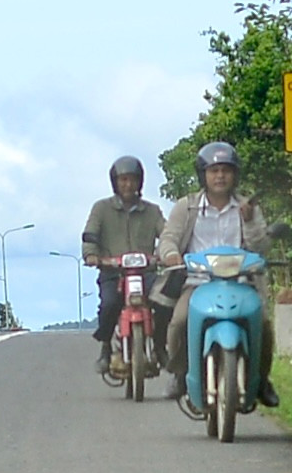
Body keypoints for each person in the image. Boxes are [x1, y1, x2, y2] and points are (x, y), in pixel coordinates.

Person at [155, 141, 279, 407]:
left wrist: (249, 220)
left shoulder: (247, 207)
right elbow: (168, 239)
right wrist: (171, 255)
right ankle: (179, 373)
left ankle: (261, 379)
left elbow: (262, 247)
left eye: (226, 170)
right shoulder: (186, 207)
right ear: (203, 175)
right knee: (179, 322)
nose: (220, 176)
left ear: (235, 175)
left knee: (264, 326)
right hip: (198, 283)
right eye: (214, 170)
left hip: (242, 283)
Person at [81, 155, 168, 373]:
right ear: (115, 182)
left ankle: (159, 346)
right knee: (110, 304)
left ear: (141, 182)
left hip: (146, 273)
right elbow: (90, 235)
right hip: (113, 273)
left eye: (133, 179)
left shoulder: (152, 211)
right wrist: (92, 256)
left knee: (165, 301)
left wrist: (166, 254)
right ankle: (106, 348)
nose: (128, 185)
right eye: (123, 180)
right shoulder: (101, 209)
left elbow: (167, 235)